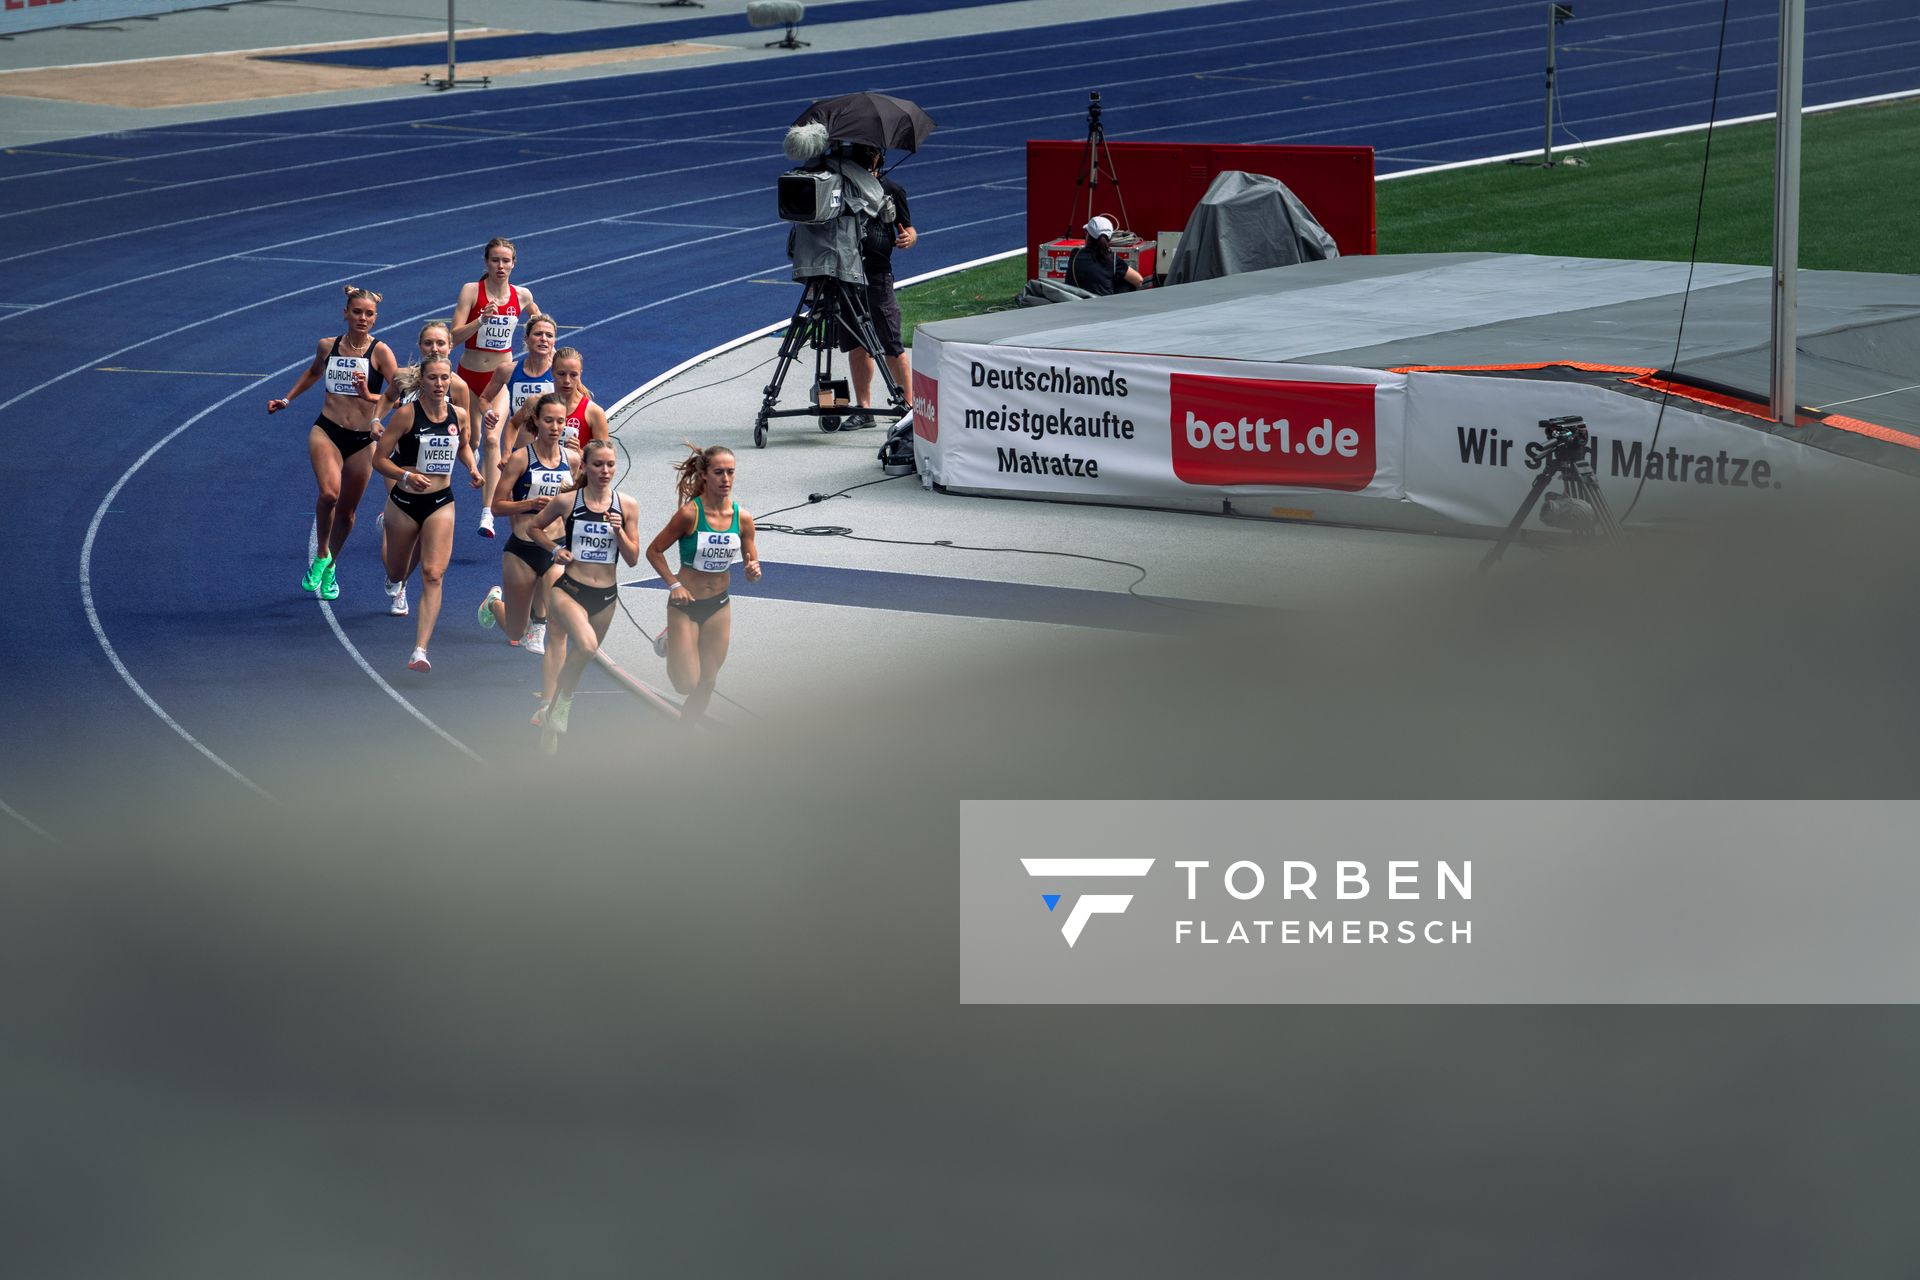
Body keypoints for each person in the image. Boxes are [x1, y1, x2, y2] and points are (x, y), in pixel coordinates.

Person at [267, 285, 403, 601]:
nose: (362, 318)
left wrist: (368, 395)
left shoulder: (381, 352)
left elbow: (399, 396)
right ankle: (322, 553)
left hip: (362, 440)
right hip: (327, 430)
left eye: (369, 314)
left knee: (347, 512)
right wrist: (286, 399)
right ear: (345, 313)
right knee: (329, 494)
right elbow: (314, 373)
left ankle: (331, 565)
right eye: (357, 312)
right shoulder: (328, 346)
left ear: (376, 318)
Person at [526, 439, 639, 753]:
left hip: (606, 597)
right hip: (569, 590)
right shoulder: (567, 501)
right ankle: (561, 705)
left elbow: (632, 558)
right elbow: (534, 528)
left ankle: (552, 713)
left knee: (582, 657)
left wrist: (620, 532)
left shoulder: (627, 506)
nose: (604, 471)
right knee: (586, 645)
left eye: (610, 465)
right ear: (585, 467)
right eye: (598, 464)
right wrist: (555, 549)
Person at [370, 354, 479, 672]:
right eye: (433, 378)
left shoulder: (458, 414)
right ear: (422, 381)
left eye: (445, 378)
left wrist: (473, 468)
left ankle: (420, 650)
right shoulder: (405, 415)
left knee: (433, 574)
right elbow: (380, 460)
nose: (440, 384)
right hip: (404, 502)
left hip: (441, 502)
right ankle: (394, 578)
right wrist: (405, 476)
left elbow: (463, 447)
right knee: (398, 570)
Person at [644, 444, 761, 727]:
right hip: (685, 604)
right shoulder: (689, 514)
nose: (726, 479)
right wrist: (674, 585)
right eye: (718, 472)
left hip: (719, 604)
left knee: (707, 680)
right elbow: (654, 551)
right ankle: (670, 640)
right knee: (686, 683)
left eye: (730, 472)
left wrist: (753, 570)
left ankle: (686, 730)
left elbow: (752, 560)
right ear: (705, 475)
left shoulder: (742, 518)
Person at [479, 392, 580, 675]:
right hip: (522, 550)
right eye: (549, 420)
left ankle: (541, 625)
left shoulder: (572, 460)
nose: (555, 427)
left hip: (554, 545)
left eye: (561, 421)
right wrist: (529, 504)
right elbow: (497, 506)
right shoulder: (521, 459)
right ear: (536, 420)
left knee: (553, 601)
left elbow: (579, 499)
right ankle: (494, 604)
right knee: (514, 629)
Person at [449, 237, 538, 539]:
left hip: (499, 379)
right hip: (467, 377)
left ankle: (487, 512)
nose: (501, 266)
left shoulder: (522, 295)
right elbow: (453, 337)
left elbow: (540, 321)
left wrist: (540, 338)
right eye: (495, 260)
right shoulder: (472, 291)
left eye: (506, 261)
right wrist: (480, 321)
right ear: (486, 262)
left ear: (514, 263)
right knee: (467, 439)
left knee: (491, 438)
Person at [838, 144, 916, 431]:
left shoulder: (891, 189)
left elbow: (908, 228)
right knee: (857, 345)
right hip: (845, 274)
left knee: (891, 344)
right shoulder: (839, 188)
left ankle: (908, 408)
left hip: (877, 274)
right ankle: (864, 408)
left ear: (877, 159)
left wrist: (908, 238)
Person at [500, 346, 605, 457]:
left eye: (573, 375)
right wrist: (507, 453)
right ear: (552, 372)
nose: (567, 381)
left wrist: (580, 454)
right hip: (540, 471)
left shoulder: (593, 412)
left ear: (580, 374)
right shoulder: (535, 402)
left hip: (575, 473)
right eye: (561, 374)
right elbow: (512, 424)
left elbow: (603, 458)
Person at [1066, 215, 1144, 296]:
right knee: (1125, 280)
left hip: (1076, 305)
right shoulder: (1113, 259)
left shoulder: (1075, 254)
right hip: (1105, 306)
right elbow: (1139, 281)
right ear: (1109, 238)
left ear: (1088, 235)